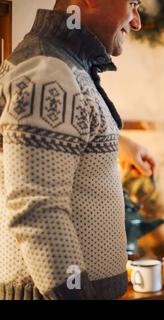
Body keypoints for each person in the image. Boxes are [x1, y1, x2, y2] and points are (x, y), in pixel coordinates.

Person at [0, 0, 155, 299]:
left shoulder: (60, 65)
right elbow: (39, 210)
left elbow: (66, 128)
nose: (136, 22)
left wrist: (118, 144)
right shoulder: (46, 71)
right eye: (133, 3)